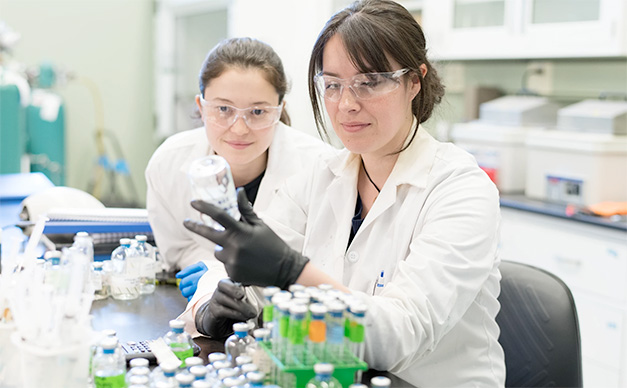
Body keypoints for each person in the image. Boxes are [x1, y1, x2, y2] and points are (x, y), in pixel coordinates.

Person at [184, 1, 505, 386]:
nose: (347, 104)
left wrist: (291, 271)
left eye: (370, 82)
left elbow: (400, 335)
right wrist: (210, 306)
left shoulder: (460, 190)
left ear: (414, 81)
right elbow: (239, 267)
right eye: (333, 85)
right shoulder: (320, 177)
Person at [145, 37, 332, 303]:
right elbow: (179, 247)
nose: (240, 128)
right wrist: (212, 271)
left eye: (258, 111)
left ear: (279, 112)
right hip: (203, 309)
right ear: (200, 107)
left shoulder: (319, 167)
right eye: (223, 109)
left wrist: (233, 275)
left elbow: (322, 264)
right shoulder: (168, 163)